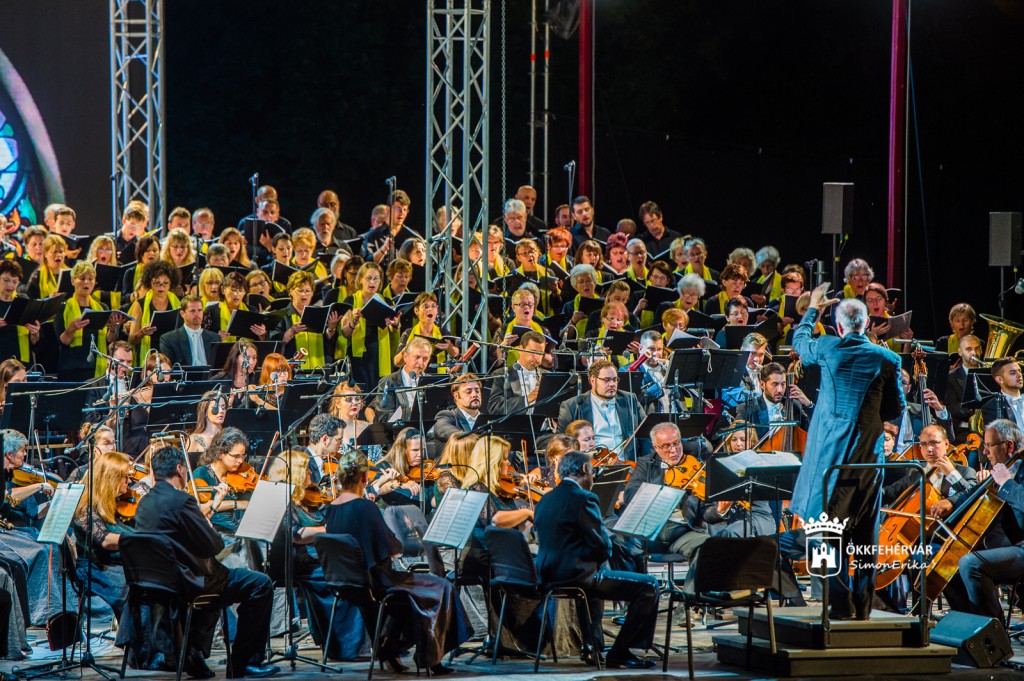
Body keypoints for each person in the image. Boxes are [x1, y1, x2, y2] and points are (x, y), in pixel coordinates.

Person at [790, 283, 905, 621]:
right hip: (869, 457)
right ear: (867, 324)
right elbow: (895, 407)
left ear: (839, 327)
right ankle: (863, 607)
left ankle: (839, 605)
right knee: (866, 533)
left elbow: (799, 342)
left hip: (832, 457)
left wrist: (813, 309)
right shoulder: (888, 358)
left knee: (827, 531)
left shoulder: (828, 348)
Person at [133, 445, 277, 679]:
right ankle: (244, 662)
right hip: (189, 582)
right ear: (180, 469)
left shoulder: (144, 503)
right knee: (260, 584)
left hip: (158, 582)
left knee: (215, 594)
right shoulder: (182, 501)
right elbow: (214, 545)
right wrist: (208, 527)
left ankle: (194, 653)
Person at [323, 447, 469, 674]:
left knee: (410, 594)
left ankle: (389, 648)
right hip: (376, 583)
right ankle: (432, 658)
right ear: (364, 478)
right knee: (442, 586)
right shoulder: (366, 507)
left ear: (340, 478)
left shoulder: (330, 509)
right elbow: (393, 549)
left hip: (346, 583)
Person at [533, 450, 658, 668]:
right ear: (584, 469)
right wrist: (597, 560)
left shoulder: (546, 499)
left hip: (548, 576)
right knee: (649, 586)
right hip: (577, 576)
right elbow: (602, 545)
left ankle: (592, 646)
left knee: (594, 585)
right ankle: (622, 651)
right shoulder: (585, 498)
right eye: (592, 471)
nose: (593, 476)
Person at [938, 419, 1024, 622]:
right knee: (945, 566)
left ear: (1009, 445)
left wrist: (1007, 483)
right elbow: (972, 493)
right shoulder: (1003, 469)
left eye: (989, 445)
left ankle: (992, 630)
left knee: (971, 563)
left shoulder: (1010, 474)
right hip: (1008, 545)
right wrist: (950, 503)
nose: (985, 452)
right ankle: (973, 625)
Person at [556, 359, 647, 461]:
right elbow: (561, 444)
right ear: (593, 381)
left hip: (628, 465)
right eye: (606, 380)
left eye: (615, 379)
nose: (612, 384)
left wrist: (645, 465)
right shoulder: (572, 406)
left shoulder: (629, 400)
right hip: (591, 466)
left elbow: (645, 435)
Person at [54, 262, 126, 381]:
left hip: (96, 366)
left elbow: (109, 340)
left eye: (90, 279)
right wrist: (71, 329)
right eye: (82, 278)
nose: (86, 282)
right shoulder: (63, 307)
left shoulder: (102, 307)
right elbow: (63, 341)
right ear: (72, 281)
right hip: (71, 367)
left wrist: (114, 328)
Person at [338, 262, 400, 389]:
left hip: (379, 356)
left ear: (380, 281)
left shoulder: (386, 301)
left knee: (378, 391)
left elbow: (395, 328)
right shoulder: (351, 301)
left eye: (376, 279)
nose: (372, 282)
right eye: (369, 278)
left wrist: (395, 324)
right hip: (358, 358)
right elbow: (345, 332)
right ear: (360, 279)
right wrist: (354, 321)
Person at [273, 270, 339, 371]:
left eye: (308, 291)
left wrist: (331, 328)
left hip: (320, 370)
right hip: (292, 371)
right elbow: (275, 344)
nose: (304, 294)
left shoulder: (320, 313)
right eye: (300, 291)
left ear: (312, 293)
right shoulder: (281, 315)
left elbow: (329, 344)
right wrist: (291, 332)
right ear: (291, 291)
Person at [125, 261, 181, 364]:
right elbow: (131, 339)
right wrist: (142, 332)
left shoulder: (178, 303)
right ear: (149, 283)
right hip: (149, 357)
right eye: (157, 283)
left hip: (171, 355)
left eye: (165, 283)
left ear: (171, 283)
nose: (161, 287)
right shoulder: (140, 305)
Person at [369, 336, 432, 424]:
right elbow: (384, 417)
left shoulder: (432, 382)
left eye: (425, 359)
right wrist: (410, 412)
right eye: (417, 357)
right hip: (400, 430)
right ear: (405, 357)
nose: (421, 363)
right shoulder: (388, 382)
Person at [488, 331, 549, 416]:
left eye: (540, 353)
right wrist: (527, 399)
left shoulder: (548, 376)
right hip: (514, 423)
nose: (537, 357)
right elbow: (494, 407)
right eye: (533, 352)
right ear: (520, 349)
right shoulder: (501, 374)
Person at [427, 373, 482, 456]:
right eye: (468, 391)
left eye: (477, 391)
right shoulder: (445, 416)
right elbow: (445, 432)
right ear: (456, 396)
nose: (474, 394)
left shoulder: (487, 419)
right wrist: (477, 440)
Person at [159, 295, 219, 368]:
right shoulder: (169, 339)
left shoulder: (215, 338)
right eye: (192, 311)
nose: (197, 314)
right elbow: (169, 369)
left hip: (210, 375)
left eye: (200, 310)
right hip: (185, 375)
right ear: (182, 314)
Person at [0, 261, 40, 364]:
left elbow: (34, 342)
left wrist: (35, 334)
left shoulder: (23, 300)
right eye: (6, 280)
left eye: (15, 282)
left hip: (22, 362)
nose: (10, 285)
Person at [981, 357, 1024, 430]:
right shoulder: (991, 407)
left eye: (1019, 371)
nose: (1019, 375)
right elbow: (998, 435)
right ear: (999, 379)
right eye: (1012, 373)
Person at [186, 390, 227, 455]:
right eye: (215, 407)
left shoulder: (229, 436)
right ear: (205, 411)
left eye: (223, 407)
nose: (221, 411)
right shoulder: (194, 440)